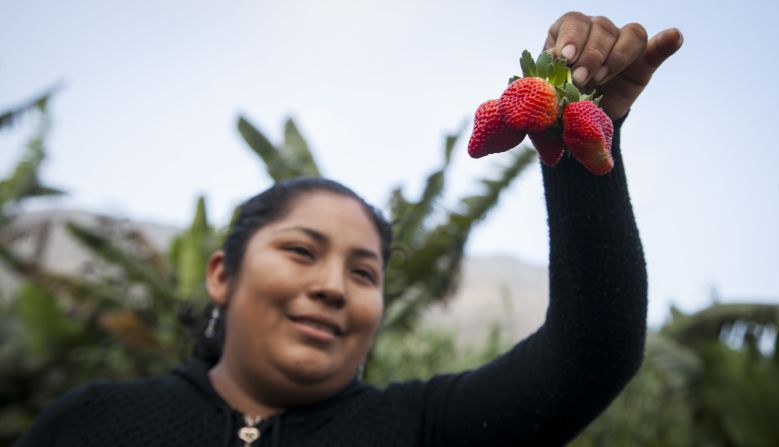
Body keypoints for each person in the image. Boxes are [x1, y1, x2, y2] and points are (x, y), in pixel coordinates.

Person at [14, 11, 682, 447]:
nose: (335, 287)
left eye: (364, 272)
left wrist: (579, 137)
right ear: (222, 273)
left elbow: (596, 350)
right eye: (301, 250)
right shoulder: (88, 423)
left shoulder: (421, 428)